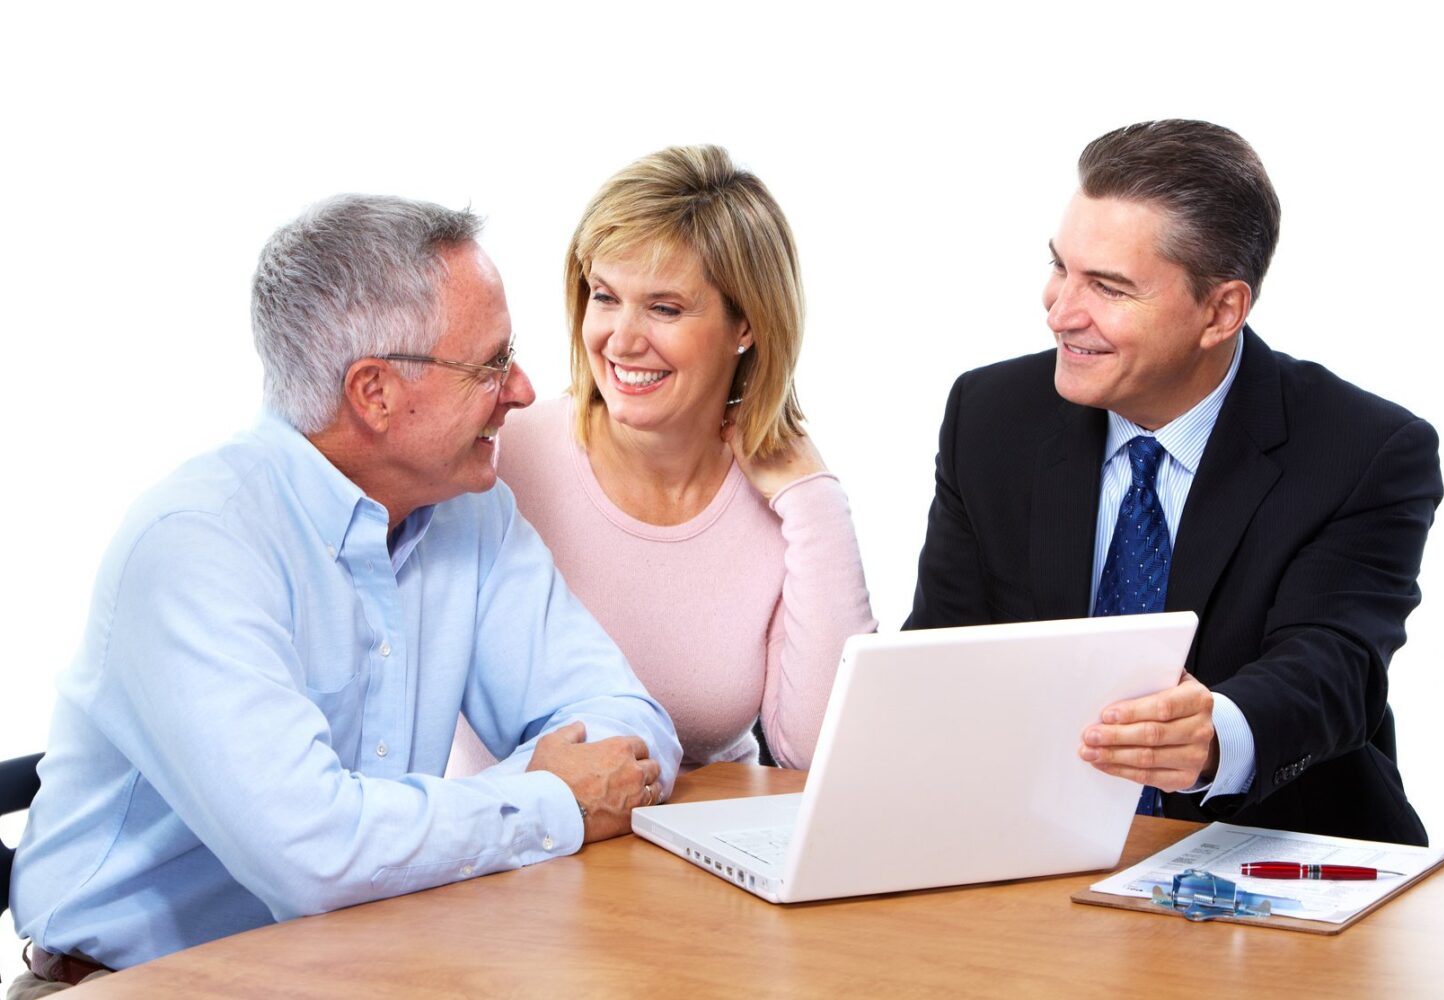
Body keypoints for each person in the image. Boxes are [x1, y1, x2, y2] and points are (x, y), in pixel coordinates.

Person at [7, 195, 681, 994]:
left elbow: (629, 728)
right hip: (134, 984)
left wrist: (427, 826)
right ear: (375, 394)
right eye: (491, 364)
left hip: (368, 970)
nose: (524, 390)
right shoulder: (195, 545)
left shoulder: (470, 507)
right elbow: (316, 861)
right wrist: (548, 799)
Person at [906, 120, 1440, 845]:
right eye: (1061, 266)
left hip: (1277, 855)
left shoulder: (1365, 451)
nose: (1061, 311)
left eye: (1109, 287)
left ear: (1221, 311)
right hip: (1034, 850)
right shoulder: (991, 416)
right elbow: (943, 654)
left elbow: (1332, 665)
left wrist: (1217, 734)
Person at [450, 146, 875, 774]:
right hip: (516, 852)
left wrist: (815, 500)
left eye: (665, 308)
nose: (621, 340)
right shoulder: (503, 462)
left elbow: (816, 753)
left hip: (698, 855)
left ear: (746, 325)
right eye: (604, 296)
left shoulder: (786, 504)